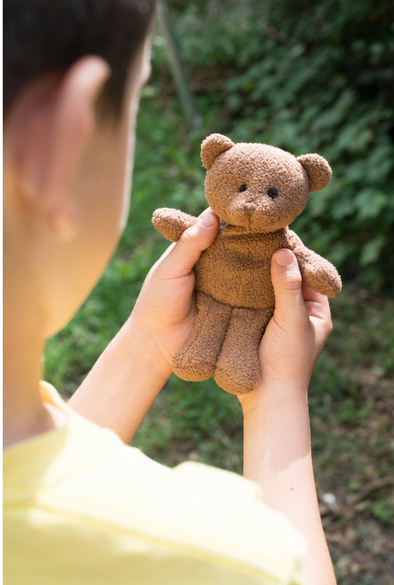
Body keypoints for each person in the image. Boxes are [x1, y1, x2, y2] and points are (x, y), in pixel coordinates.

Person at [3, 1, 336, 584]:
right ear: (60, 141)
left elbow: (39, 475)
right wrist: (276, 395)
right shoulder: (217, 558)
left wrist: (150, 345)